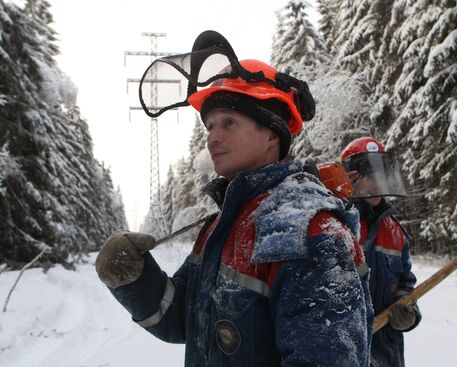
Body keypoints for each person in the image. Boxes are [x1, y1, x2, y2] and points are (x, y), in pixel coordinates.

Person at [95, 30, 373, 366]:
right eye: (209, 125)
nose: (212, 137)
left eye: (229, 122)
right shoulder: (221, 226)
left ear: (272, 132)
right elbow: (183, 318)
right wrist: (134, 278)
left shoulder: (311, 233)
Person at [340, 136, 421, 367]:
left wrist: (409, 311)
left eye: (380, 173)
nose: (376, 182)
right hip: (349, 351)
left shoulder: (395, 232)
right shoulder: (338, 225)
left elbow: (405, 283)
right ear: (349, 178)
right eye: (368, 174)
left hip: (389, 352)